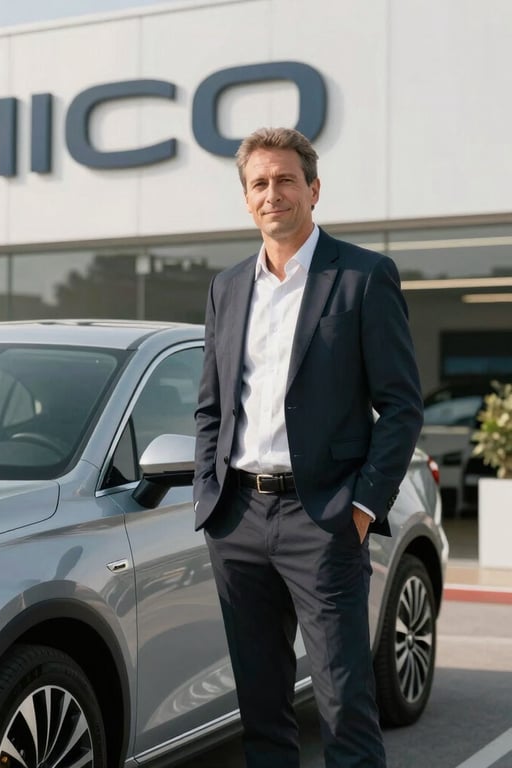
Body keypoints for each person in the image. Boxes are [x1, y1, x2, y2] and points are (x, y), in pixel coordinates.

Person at [193, 127, 423, 768]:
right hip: (237, 520)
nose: (274, 193)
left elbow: (402, 405)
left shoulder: (362, 277)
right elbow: (212, 406)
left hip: (321, 518)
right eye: (260, 183)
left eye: (286, 179)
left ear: (314, 189)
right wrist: (209, 496)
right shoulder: (227, 288)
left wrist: (362, 506)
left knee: (345, 704)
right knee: (261, 712)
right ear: (246, 199)